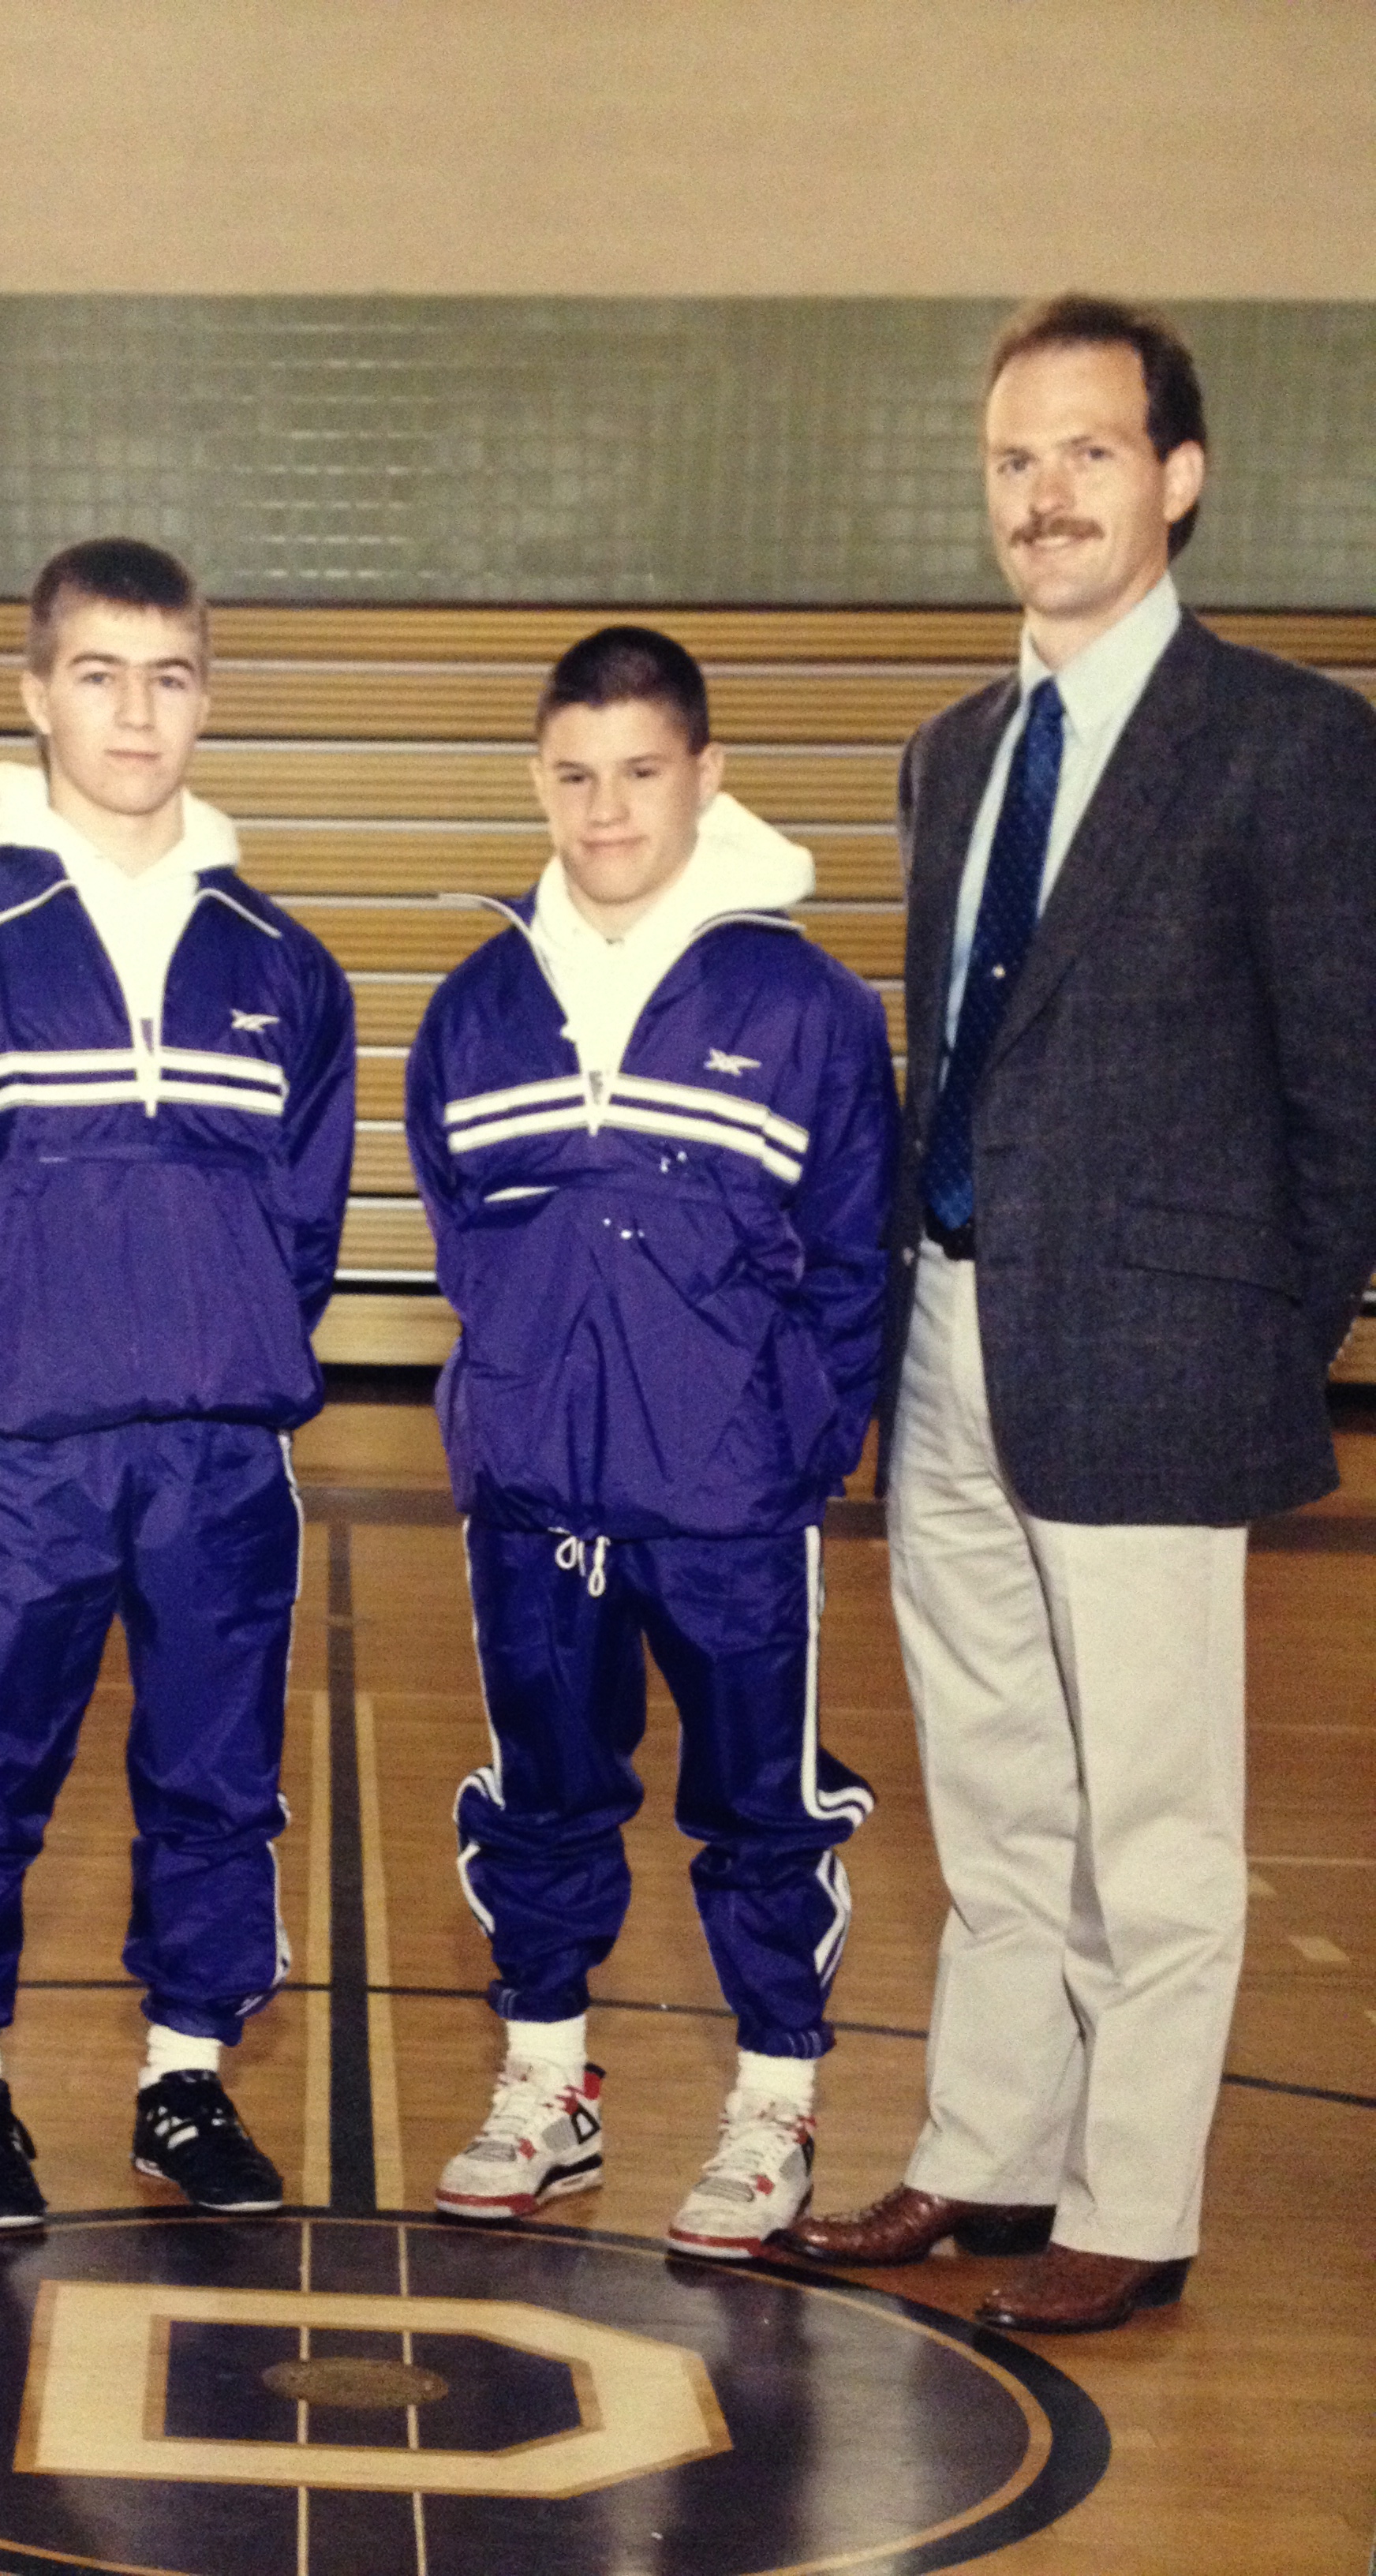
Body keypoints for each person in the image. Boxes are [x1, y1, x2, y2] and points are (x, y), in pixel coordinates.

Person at [784, 296, 1376, 2331]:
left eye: (1091, 453)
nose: (1046, 496)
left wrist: (1251, 1342)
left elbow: (1346, 1095)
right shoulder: (953, 751)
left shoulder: (1292, 745)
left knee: (1157, 1813)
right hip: (949, 1342)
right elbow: (962, 1066)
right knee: (1002, 1788)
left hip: (1157, 1356)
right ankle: (990, 2158)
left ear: (1180, 478)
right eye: (1016, 460)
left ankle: (1139, 2198)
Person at [0, 536, 355, 2227]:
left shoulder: (283, 968)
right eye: (99, 673)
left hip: (220, 1457)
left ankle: (184, 2082)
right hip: (24, 1459)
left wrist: (209, 1350)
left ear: (207, 693)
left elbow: (298, 1223)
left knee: (217, 1779)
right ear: (35, 694)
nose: (137, 713)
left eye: (170, 674)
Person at [406, 625, 898, 2257]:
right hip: (537, 1497)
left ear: (706, 775)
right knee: (547, 1798)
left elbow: (852, 1259)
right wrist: (519, 1409)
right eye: (572, 774)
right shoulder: (475, 1010)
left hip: (730, 1502)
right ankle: (548, 2084)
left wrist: (787, 1449)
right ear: (536, 780)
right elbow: (469, 1241)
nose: (605, 810)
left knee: (762, 1811)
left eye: (639, 772)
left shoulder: (807, 1006)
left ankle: (775, 2107)